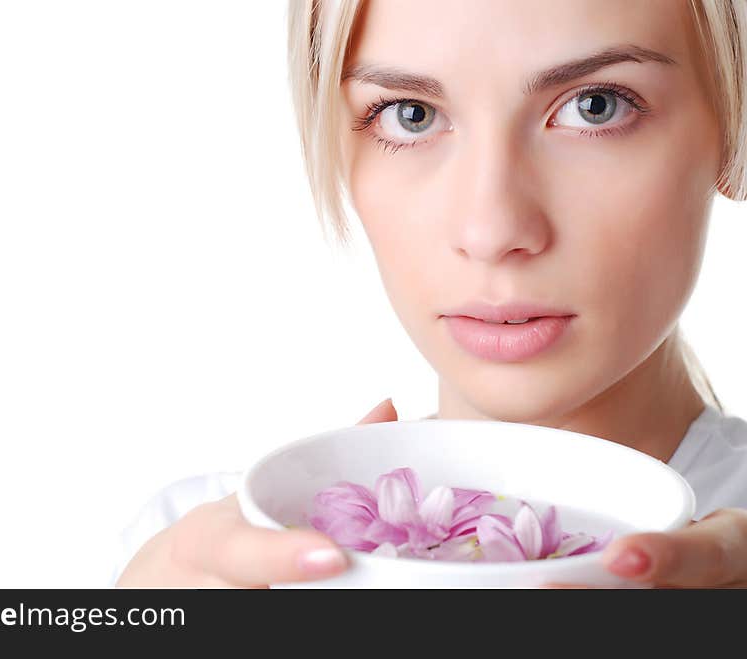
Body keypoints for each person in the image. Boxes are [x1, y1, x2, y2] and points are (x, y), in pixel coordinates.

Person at [113, 0, 747, 588]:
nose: (491, 230)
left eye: (597, 106)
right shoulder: (198, 555)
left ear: (734, 121)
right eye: (409, 114)